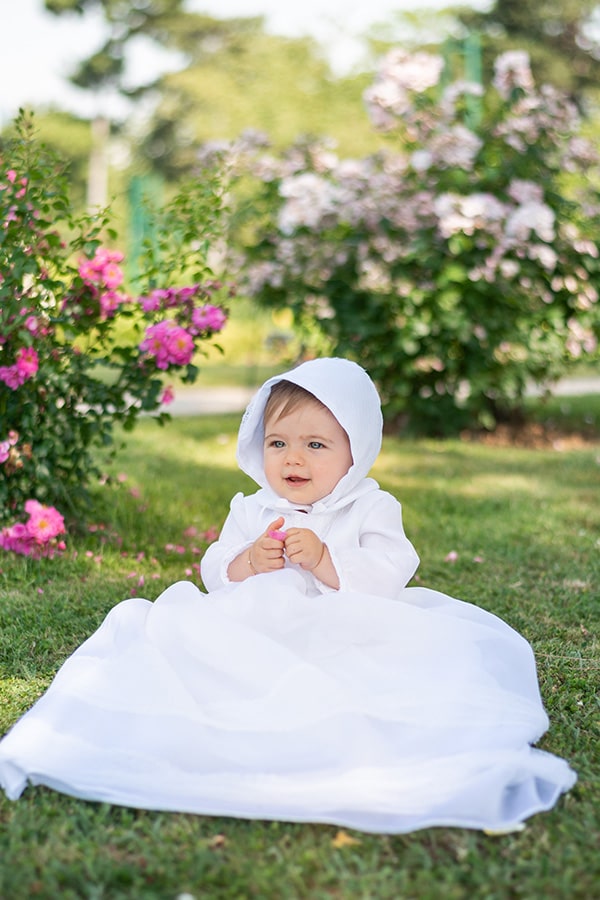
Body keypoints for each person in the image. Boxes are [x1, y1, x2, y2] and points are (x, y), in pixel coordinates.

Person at [0, 357, 576, 834]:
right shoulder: (250, 509)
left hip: (345, 626)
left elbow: (393, 566)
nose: (293, 458)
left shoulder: (371, 507)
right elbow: (214, 567)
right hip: (254, 626)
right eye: (278, 441)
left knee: (375, 679)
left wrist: (329, 561)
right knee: (183, 641)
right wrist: (247, 560)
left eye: (316, 444)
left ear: (357, 451)